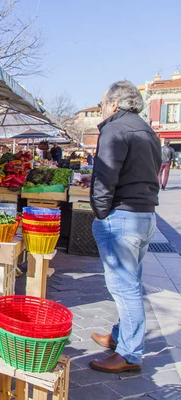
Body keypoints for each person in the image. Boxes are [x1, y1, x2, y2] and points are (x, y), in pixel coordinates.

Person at [89, 81, 161, 374]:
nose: (102, 108)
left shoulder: (114, 130)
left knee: (125, 288)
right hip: (145, 216)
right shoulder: (147, 131)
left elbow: (104, 178)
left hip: (123, 217)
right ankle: (121, 337)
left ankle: (130, 354)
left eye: (103, 103)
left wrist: (101, 213)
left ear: (115, 104)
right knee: (131, 283)